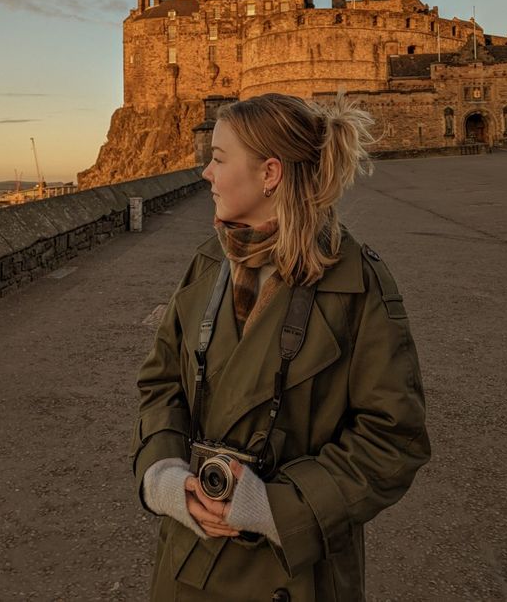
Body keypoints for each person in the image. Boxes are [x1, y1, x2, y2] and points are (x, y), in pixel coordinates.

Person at [130, 93, 431, 602]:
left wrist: (275, 508)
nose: (205, 173)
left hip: (294, 572)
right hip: (189, 564)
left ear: (269, 173)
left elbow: (394, 438)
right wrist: (164, 476)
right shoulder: (209, 262)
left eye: (219, 159)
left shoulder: (358, 282)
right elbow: (161, 383)